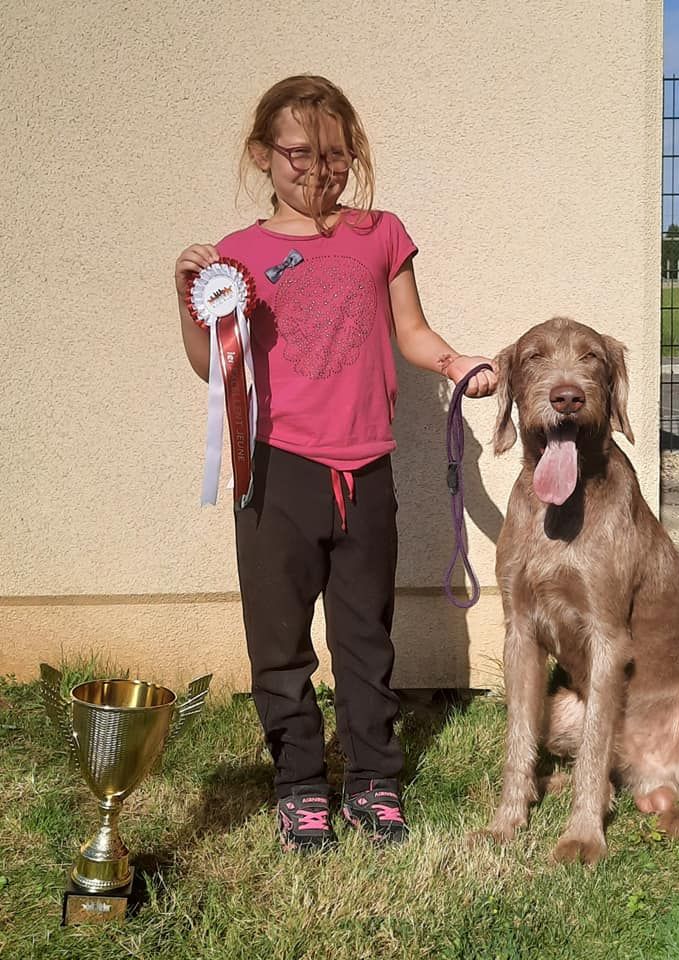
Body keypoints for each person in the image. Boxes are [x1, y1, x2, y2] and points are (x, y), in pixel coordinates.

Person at [174, 75, 496, 853]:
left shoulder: (380, 233)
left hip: (367, 475)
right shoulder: (237, 258)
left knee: (365, 638)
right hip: (276, 475)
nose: (317, 173)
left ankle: (373, 781)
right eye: (298, 156)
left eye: (335, 158)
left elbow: (411, 331)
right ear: (262, 155)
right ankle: (298, 787)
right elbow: (213, 370)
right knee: (279, 643)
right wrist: (181, 292)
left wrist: (454, 362)